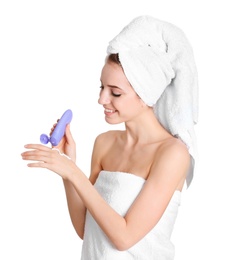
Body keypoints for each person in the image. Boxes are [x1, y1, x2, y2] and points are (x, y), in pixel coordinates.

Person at [21, 15, 198, 260]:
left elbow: (124, 237)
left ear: (146, 94)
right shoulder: (104, 143)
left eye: (115, 93)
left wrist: (74, 173)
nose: (102, 100)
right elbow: (86, 228)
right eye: (102, 88)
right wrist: (67, 167)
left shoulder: (173, 153)